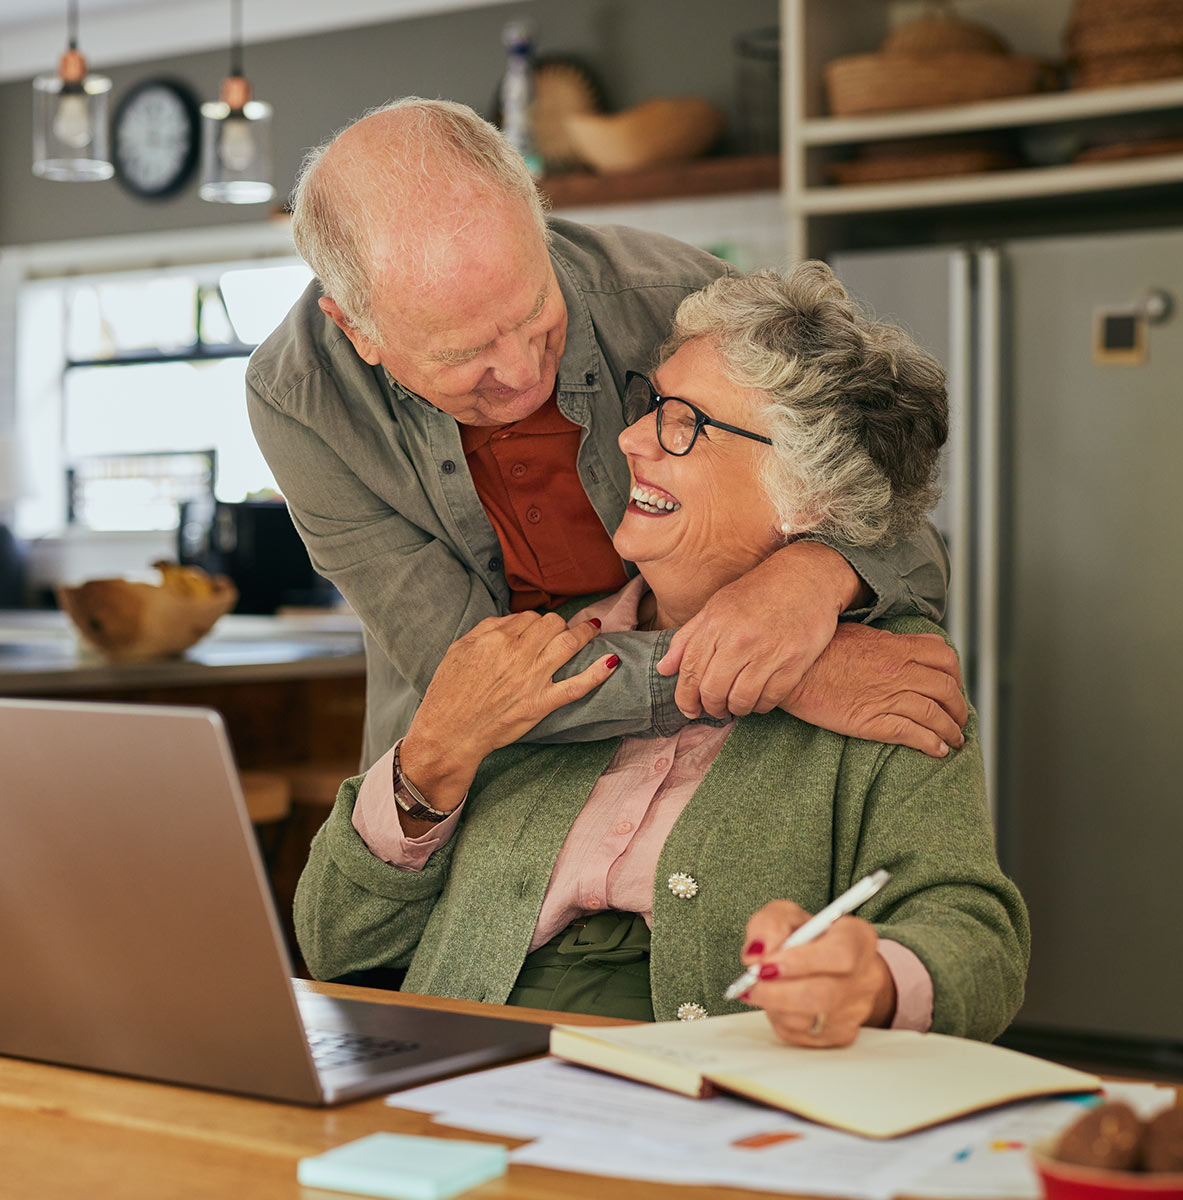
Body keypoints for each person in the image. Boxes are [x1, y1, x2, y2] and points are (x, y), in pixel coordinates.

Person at [294, 263, 1029, 1044]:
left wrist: (872, 980)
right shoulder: (543, 646)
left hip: (697, 1093)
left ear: (808, 496)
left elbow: (977, 937)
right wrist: (430, 766)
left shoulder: (887, 672)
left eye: (684, 424)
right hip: (452, 1075)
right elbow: (336, 946)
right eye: (653, 405)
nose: (630, 437)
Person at [247, 98, 965, 768]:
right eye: (466, 354)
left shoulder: (688, 307)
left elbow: (896, 524)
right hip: (474, 782)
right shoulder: (300, 398)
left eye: (535, 310)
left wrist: (815, 574)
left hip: (716, 762)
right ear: (356, 330)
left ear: (539, 220)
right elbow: (465, 672)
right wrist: (768, 676)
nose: (524, 373)